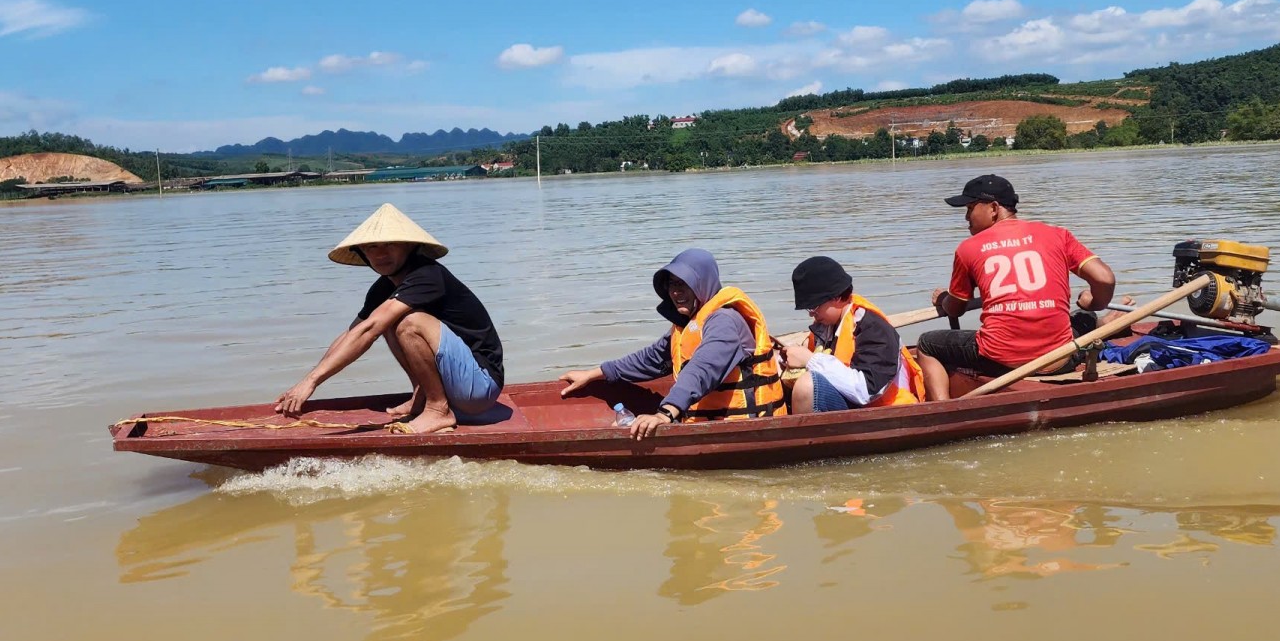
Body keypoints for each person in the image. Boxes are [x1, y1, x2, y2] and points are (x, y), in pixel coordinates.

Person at [274, 203, 506, 435]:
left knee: (408, 323)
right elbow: (354, 333)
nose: (380, 254)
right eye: (371, 247)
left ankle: (438, 409)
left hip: (481, 386)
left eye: (390, 245)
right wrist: (304, 382)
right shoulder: (383, 288)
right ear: (362, 253)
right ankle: (422, 395)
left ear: (409, 247)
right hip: (458, 382)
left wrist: (313, 381)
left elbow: (370, 330)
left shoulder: (427, 275)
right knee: (385, 320)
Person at [918, 174, 1118, 401]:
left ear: (993, 208)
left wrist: (944, 297)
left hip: (1001, 362)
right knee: (1084, 316)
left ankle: (943, 411)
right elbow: (1105, 279)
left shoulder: (968, 248)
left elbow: (955, 309)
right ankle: (1105, 321)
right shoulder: (1057, 235)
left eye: (970, 208)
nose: (966, 217)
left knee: (927, 343)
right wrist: (1095, 303)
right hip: (1060, 360)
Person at [558, 248, 784, 439]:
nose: (676, 292)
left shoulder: (724, 321)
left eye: (684, 284)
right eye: (672, 285)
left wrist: (663, 414)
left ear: (702, 284)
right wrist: (594, 374)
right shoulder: (689, 324)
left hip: (743, 428)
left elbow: (703, 369)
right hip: (704, 421)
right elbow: (651, 359)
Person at [779, 255, 924, 413]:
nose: (811, 314)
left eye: (814, 306)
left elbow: (866, 391)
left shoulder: (874, 329)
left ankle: (802, 436)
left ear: (836, 297)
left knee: (807, 385)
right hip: (853, 403)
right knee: (773, 364)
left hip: (885, 409)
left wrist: (809, 360)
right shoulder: (828, 324)